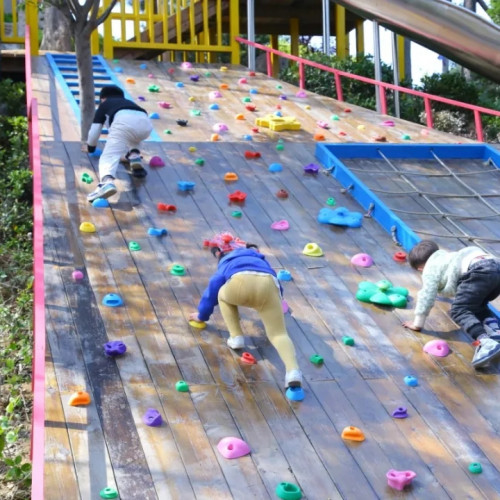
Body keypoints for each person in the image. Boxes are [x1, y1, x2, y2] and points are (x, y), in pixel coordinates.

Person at [189, 242, 303, 388]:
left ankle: (236, 337)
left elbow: (214, 286)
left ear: (220, 254)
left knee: (222, 295)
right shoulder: (260, 260)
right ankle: (293, 371)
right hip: (268, 285)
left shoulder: (227, 261)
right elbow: (277, 287)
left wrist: (202, 315)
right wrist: (273, 307)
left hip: (239, 283)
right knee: (279, 334)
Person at [402, 240, 500, 367]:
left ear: (420, 268)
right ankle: (495, 333)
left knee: (459, 310)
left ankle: (485, 342)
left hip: (479, 270)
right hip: (496, 266)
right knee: (477, 305)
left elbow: (427, 295)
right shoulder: (448, 257)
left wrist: (417, 324)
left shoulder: (430, 268)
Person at [85, 85, 153, 202]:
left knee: (109, 156)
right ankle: (134, 155)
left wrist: (90, 148)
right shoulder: (129, 103)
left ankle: (106, 182)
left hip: (124, 122)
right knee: (134, 136)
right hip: (146, 124)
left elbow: (95, 130)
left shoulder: (104, 104)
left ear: (103, 98)